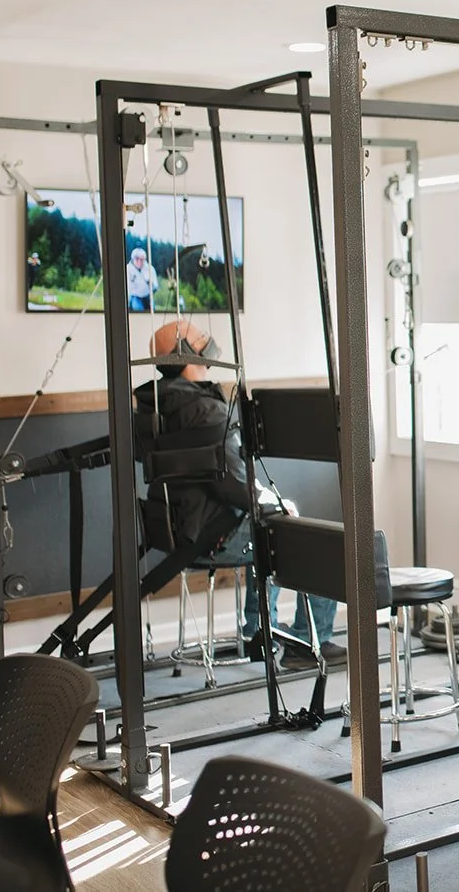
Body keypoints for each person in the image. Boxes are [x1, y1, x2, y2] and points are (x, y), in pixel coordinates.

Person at [135, 320, 342, 668]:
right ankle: (308, 642)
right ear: (187, 353)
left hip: (184, 528)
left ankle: (260, 629)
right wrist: (277, 506)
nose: (209, 340)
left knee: (274, 524)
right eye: (201, 337)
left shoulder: (161, 404)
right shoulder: (204, 411)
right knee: (318, 541)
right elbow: (234, 483)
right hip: (215, 533)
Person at [127, 248, 158, 312]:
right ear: (133, 259)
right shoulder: (128, 269)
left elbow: (155, 286)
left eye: (142, 259)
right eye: (137, 259)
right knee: (138, 309)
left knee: (152, 309)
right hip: (135, 297)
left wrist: (150, 284)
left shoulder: (150, 269)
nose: (140, 261)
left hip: (147, 296)